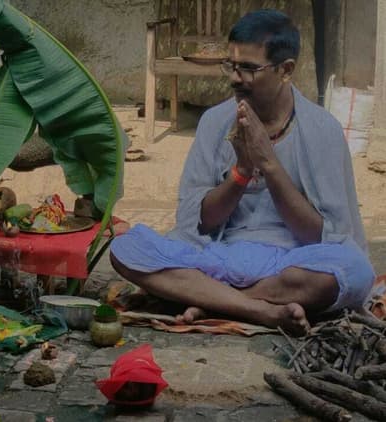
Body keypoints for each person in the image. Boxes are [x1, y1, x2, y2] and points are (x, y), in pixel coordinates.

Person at [110, 10, 374, 336]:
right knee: (125, 249)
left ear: (286, 70)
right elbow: (200, 221)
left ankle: (211, 301)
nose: (235, 78)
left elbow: (322, 236)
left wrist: (269, 164)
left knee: (354, 271)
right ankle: (261, 310)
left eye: (248, 68)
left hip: (291, 265)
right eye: (231, 65)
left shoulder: (322, 130)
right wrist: (241, 171)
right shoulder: (214, 122)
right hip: (218, 257)